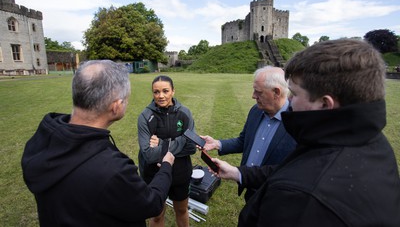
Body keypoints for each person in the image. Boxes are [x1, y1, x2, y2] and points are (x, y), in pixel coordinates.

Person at [212, 39, 400, 226]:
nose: (290, 102)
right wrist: (238, 172)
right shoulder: (373, 143)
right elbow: (288, 165)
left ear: (325, 104)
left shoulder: (301, 197)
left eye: (294, 94)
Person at [21, 60, 175, 227]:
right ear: (116, 106)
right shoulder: (113, 171)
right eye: (125, 99)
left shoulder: (43, 138)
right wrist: (166, 165)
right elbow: (151, 204)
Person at [200, 66, 296, 201]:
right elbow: (244, 141)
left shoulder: (297, 122)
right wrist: (217, 144)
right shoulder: (256, 111)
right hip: (250, 190)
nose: (253, 96)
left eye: (258, 92)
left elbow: (292, 169)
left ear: (276, 92)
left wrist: (237, 173)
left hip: (276, 196)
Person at [137, 75, 196, 227]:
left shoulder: (185, 113)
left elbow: (191, 147)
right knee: (157, 216)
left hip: (180, 171)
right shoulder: (145, 116)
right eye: (156, 92)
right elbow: (149, 155)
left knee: (182, 211)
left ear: (173, 91)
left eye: (165, 91)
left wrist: (162, 144)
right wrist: (181, 140)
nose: (161, 96)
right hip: (154, 173)